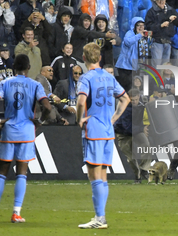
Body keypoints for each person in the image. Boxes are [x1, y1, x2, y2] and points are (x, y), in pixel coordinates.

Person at [0, 54, 52, 223]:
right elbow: (47, 107)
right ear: (28, 68)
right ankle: (16, 213)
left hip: (9, 131)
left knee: (1, 173)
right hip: (27, 132)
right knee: (22, 173)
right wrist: (40, 121)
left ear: (14, 67)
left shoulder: (5, 83)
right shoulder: (35, 84)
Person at [76, 43, 129, 229]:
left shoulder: (85, 78)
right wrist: (113, 119)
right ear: (99, 58)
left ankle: (99, 218)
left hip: (94, 131)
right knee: (103, 174)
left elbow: (81, 101)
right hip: (108, 131)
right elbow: (125, 98)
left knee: (94, 174)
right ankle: (101, 217)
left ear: (84, 58)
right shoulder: (109, 77)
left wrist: (79, 118)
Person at [114, 88, 151, 184]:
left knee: (146, 145)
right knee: (131, 158)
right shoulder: (123, 107)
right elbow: (126, 127)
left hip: (136, 130)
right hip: (123, 133)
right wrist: (141, 129)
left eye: (136, 99)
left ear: (139, 97)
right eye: (132, 100)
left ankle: (143, 169)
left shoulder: (142, 104)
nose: (134, 102)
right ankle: (137, 175)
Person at [145, 0, 178, 67]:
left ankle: (164, 79)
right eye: (159, 0)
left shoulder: (170, 10)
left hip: (168, 41)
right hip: (157, 42)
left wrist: (175, 19)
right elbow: (148, 26)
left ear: (165, 0)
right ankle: (155, 79)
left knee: (165, 67)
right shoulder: (151, 12)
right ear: (155, 0)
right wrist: (160, 25)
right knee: (157, 66)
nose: (161, 1)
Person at [115, 17, 150, 92]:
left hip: (134, 67)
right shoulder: (129, 33)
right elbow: (128, 42)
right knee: (124, 87)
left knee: (131, 87)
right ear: (134, 26)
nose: (141, 27)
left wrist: (149, 39)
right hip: (124, 66)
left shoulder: (143, 37)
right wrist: (139, 35)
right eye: (138, 25)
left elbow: (144, 51)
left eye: (142, 25)